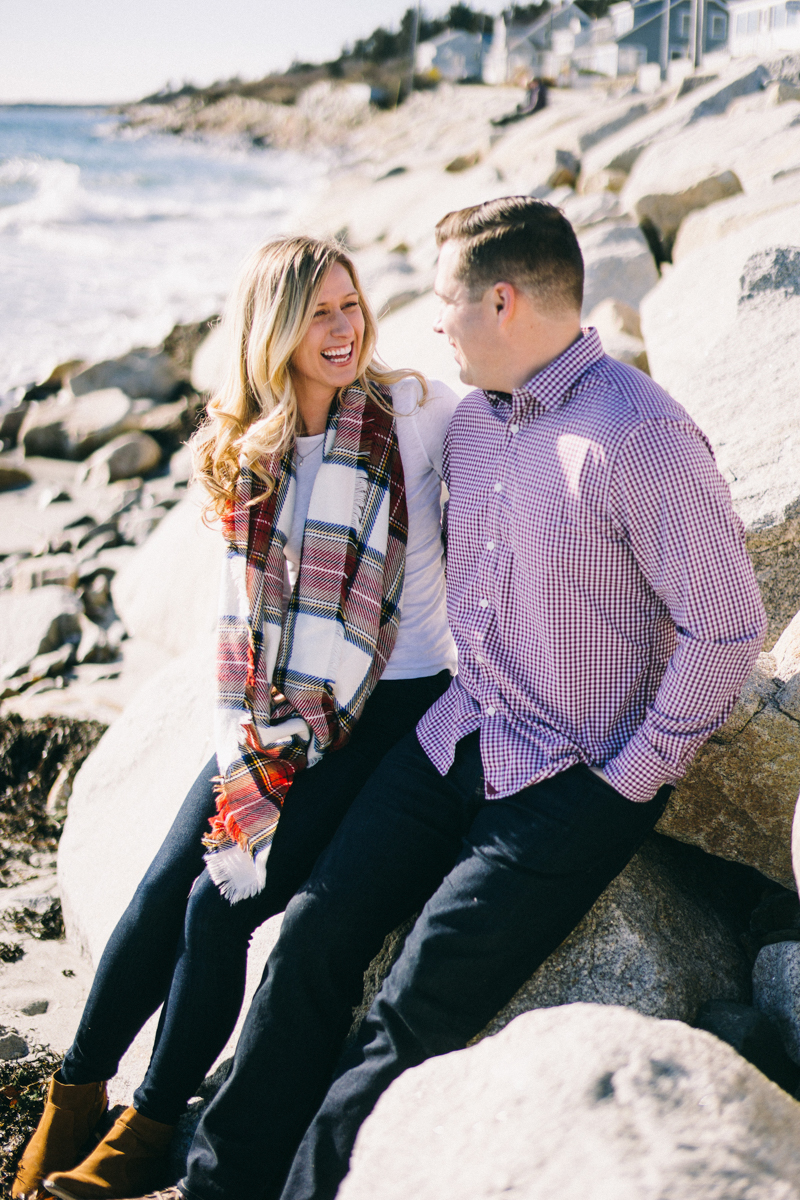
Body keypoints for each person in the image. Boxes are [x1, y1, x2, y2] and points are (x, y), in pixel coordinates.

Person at [127, 194, 767, 1200]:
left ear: (501, 302)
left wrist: (629, 779)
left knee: (411, 1015)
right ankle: (219, 1183)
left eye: (442, 301)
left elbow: (727, 628)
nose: (428, 322)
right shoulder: (468, 425)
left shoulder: (638, 437)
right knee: (309, 945)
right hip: (454, 734)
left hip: (573, 777)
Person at [14, 234, 460, 1200]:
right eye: (319, 313)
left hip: (389, 701)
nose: (344, 329)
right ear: (274, 328)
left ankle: (151, 1123)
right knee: (165, 880)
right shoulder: (243, 446)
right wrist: (240, 749)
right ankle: (78, 1093)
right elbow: (233, 619)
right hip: (276, 705)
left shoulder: (411, 412)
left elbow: (517, 442)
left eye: (352, 306)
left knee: (218, 906)